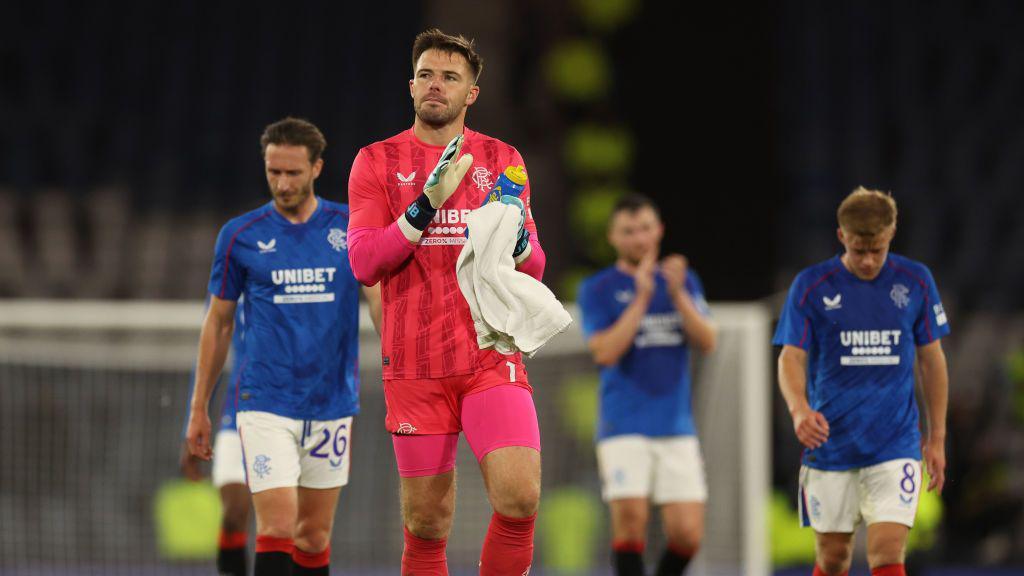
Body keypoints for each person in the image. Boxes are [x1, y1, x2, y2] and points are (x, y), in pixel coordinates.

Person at [346, 28, 547, 576]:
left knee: (519, 498)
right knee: (427, 525)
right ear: (411, 86)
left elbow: (533, 267)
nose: (437, 85)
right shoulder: (375, 162)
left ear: (471, 94)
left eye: (450, 77)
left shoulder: (502, 159)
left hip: (488, 353)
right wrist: (423, 207)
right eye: (427, 75)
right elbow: (364, 263)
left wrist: (521, 242)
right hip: (414, 365)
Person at [186, 117, 382, 576]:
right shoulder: (241, 235)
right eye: (274, 171)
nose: (282, 182)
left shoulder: (350, 226)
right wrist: (199, 407)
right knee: (275, 527)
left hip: (332, 402)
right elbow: (218, 323)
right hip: (266, 403)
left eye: (293, 172)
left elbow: (378, 300)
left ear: (317, 167)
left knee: (313, 536)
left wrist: (395, 363)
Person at [774, 187, 949, 576]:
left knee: (887, 554)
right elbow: (791, 357)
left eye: (878, 249)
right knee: (834, 559)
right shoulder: (811, 285)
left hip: (895, 443)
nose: (869, 261)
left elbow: (932, 360)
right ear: (841, 236)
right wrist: (799, 408)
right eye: (858, 250)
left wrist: (936, 438)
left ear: (891, 234)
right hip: (831, 444)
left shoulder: (916, 281)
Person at [577, 194, 717, 576]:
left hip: (675, 426)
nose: (639, 238)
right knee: (630, 527)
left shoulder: (683, 280)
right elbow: (604, 351)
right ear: (612, 237)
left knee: (687, 534)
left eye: (644, 229)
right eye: (628, 231)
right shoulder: (598, 288)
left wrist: (677, 296)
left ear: (659, 230)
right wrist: (641, 299)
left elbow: (708, 341)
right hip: (623, 425)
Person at [180, 299, 251, 576]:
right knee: (234, 514)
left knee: (290, 522)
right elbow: (210, 355)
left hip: (292, 408)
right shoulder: (229, 280)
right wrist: (194, 418)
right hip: (238, 410)